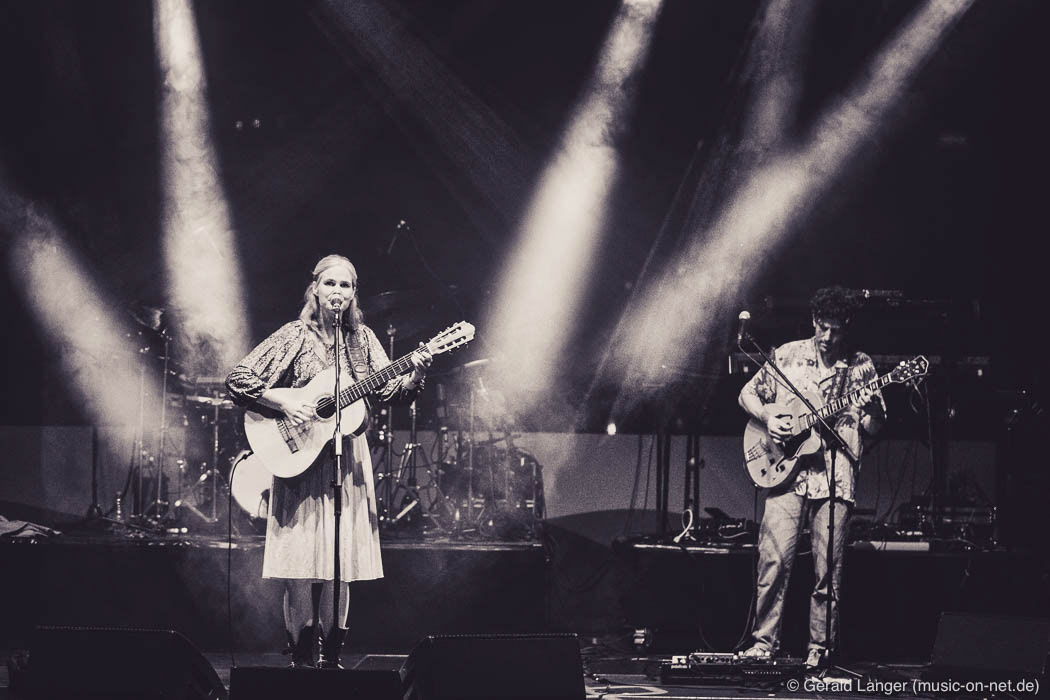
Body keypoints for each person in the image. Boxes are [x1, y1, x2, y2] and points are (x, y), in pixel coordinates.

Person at [226, 254, 431, 668]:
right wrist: (283, 401)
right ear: (315, 289)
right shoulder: (294, 334)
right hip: (299, 455)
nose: (338, 291)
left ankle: (333, 654)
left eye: (346, 285)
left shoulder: (363, 338)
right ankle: (302, 654)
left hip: (346, 457)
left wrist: (416, 373)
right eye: (330, 283)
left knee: (341, 559)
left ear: (354, 294)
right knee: (300, 559)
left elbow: (389, 391)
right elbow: (238, 379)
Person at [737, 286, 885, 669]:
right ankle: (762, 644)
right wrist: (769, 417)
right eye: (822, 327)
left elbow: (874, 427)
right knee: (773, 560)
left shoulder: (861, 367)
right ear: (813, 321)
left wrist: (871, 410)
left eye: (836, 329)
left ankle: (820, 650)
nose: (828, 337)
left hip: (835, 477)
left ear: (846, 327)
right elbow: (747, 394)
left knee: (827, 572)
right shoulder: (787, 354)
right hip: (787, 475)